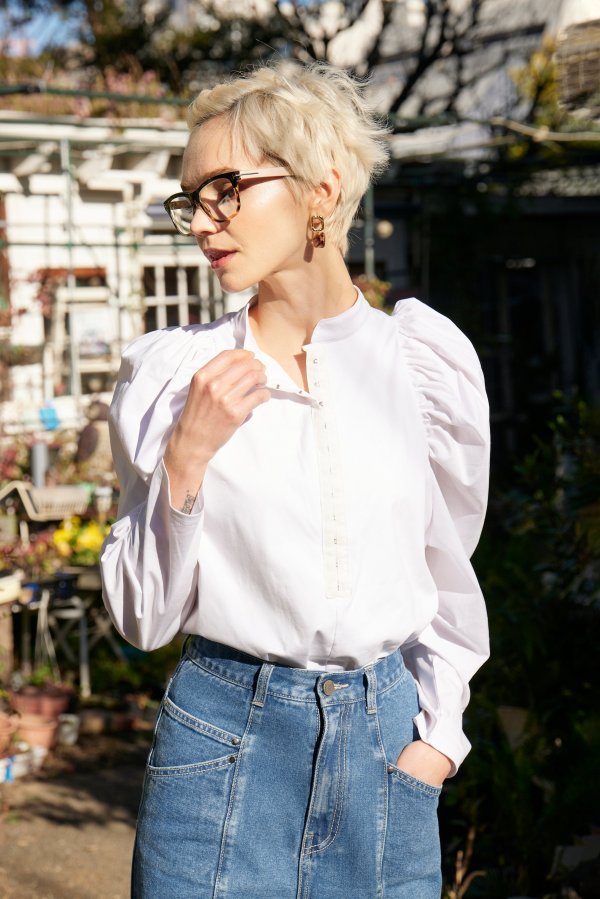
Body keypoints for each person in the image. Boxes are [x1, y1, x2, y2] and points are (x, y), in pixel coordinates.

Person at [101, 62, 490, 899]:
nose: (203, 221)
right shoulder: (174, 375)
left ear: (322, 188)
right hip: (220, 748)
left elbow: (447, 576)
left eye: (227, 188)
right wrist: (186, 459)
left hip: (387, 755)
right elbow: (141, 618)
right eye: (190, 200)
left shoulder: (422, 366)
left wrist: (437, 741)